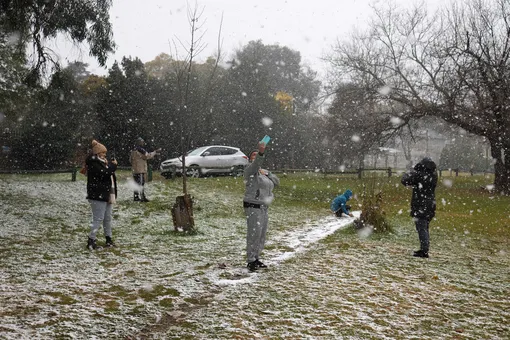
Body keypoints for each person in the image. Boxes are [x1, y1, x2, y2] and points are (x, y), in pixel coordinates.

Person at [243, 141, 280, 272]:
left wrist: (268, 174)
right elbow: (255, 164)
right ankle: (251, 260)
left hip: (263, 207)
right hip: (253, 205)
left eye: (256, 155)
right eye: (253, 155)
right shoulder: (249, 170)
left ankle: (256, 257)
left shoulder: (263, 172)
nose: (255, 157)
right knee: (254, 233)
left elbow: (276, 182)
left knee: (261, 234)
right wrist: (261, 152)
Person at [401, 157, 438, 258]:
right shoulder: (433, 175)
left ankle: (424, 251)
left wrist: (410, 171)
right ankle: (424, 248)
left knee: (421, 228)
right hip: (430, 204)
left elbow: (404, 181)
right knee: (424, 227)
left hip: (421, 204)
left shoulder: (420, 175)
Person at [85, 140, 118, 250]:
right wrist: (113, 167)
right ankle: (91, 240)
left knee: (107, 218)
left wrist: (110, 167)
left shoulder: (103, 163)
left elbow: (107, 173)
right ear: (98, 153)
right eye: (103, 152)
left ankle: (108, 238)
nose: (105, 155)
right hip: (98, 194)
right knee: (98, 218)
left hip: (106, 194)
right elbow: (104, 174)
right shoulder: (94, 163)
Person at [129, 137, 161, 202]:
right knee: (141, 184)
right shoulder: (141, 150)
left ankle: (136, 197)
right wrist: (155, 152)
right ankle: (142, 197)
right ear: (140, 143)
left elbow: (130, 160)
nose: (143, 143)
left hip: (135, 170)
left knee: (136, 184)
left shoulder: (133, 150)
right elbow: (148, 156)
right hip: (140, 170)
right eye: (142, 142)